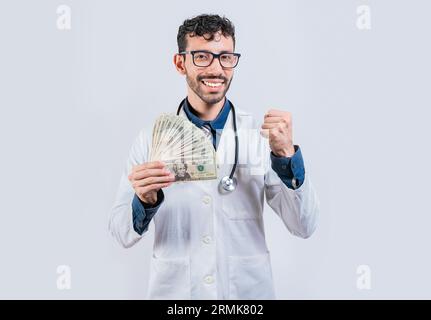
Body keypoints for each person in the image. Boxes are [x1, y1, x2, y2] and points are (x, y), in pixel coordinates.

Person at [109, 14, 319, 300]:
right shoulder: (149, 140)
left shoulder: (258, 136)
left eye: (225, 57)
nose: (216, 68)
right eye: (202, 57)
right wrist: (144, 201)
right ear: (180, 63)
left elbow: (304, 225)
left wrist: (285, 155)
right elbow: (121, 233)